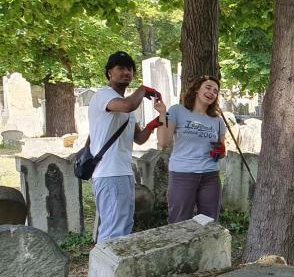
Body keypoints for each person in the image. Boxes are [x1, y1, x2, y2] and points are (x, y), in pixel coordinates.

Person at [89, 51, 163, 242]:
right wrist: (143, 90)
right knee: (113, 230)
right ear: (109, 73)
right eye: (120, 68)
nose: (126, 72)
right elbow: (129, 104)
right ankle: (104, 270)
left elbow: (139, 138)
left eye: (129, 69)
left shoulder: (125, 107)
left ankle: (114, 269)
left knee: (123, 226)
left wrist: (157, 122)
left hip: (123, 172)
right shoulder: (104, 96)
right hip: (108, 173)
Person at [155, 75, 227, 223]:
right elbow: (163, 141)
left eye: (215, 91)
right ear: (196, 90)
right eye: (208, 87)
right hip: (183, 174)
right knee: (179, 221)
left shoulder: (217, 121)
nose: (212, 92)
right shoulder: (177, 111)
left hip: (210, 176)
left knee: (209, 222)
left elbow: (221, 151)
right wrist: (162, 113)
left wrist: (220, 152)